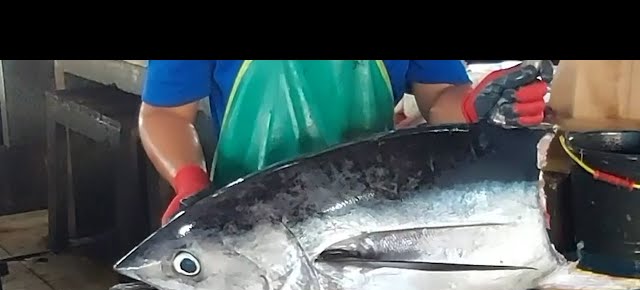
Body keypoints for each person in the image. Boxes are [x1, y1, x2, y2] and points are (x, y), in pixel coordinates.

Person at [139, 60, 554, 225]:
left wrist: (470, 104)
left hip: (369, 214)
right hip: (248, 215)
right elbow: (165, 114)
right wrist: (190, 182)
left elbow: (437, 96)